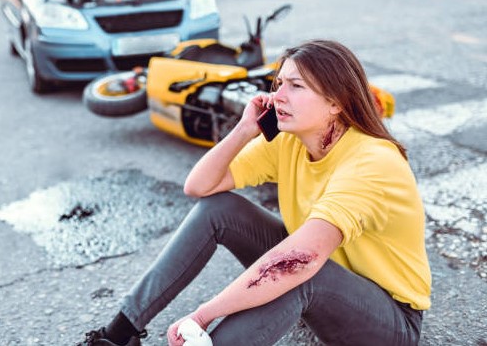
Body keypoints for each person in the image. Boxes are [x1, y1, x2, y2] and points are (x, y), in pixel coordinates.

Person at [77, 39, 431, 346]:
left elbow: (302, 260)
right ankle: (118, 334)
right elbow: (199, 187)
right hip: (323, 284)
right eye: (279, 83)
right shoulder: (289, 142)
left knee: (298, 266)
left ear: (336, 102)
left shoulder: (371, 161)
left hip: (389, 322)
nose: (277, 95)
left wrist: (203, 316)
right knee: (220, 209)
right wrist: (244, 130)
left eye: (295, 86)